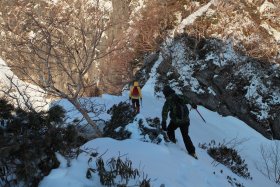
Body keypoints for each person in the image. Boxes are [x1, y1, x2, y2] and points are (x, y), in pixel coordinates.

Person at [161, 85, 198, 159]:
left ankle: (172, 141)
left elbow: (164, 112)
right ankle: (192, 152)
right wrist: (193, 105)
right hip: (186, 120)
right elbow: (188, 100)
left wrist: (164, 122)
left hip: (176, 121)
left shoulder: (168, 101)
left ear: (165, 93)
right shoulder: (179, 96)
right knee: (185, 136)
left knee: (170, 129)